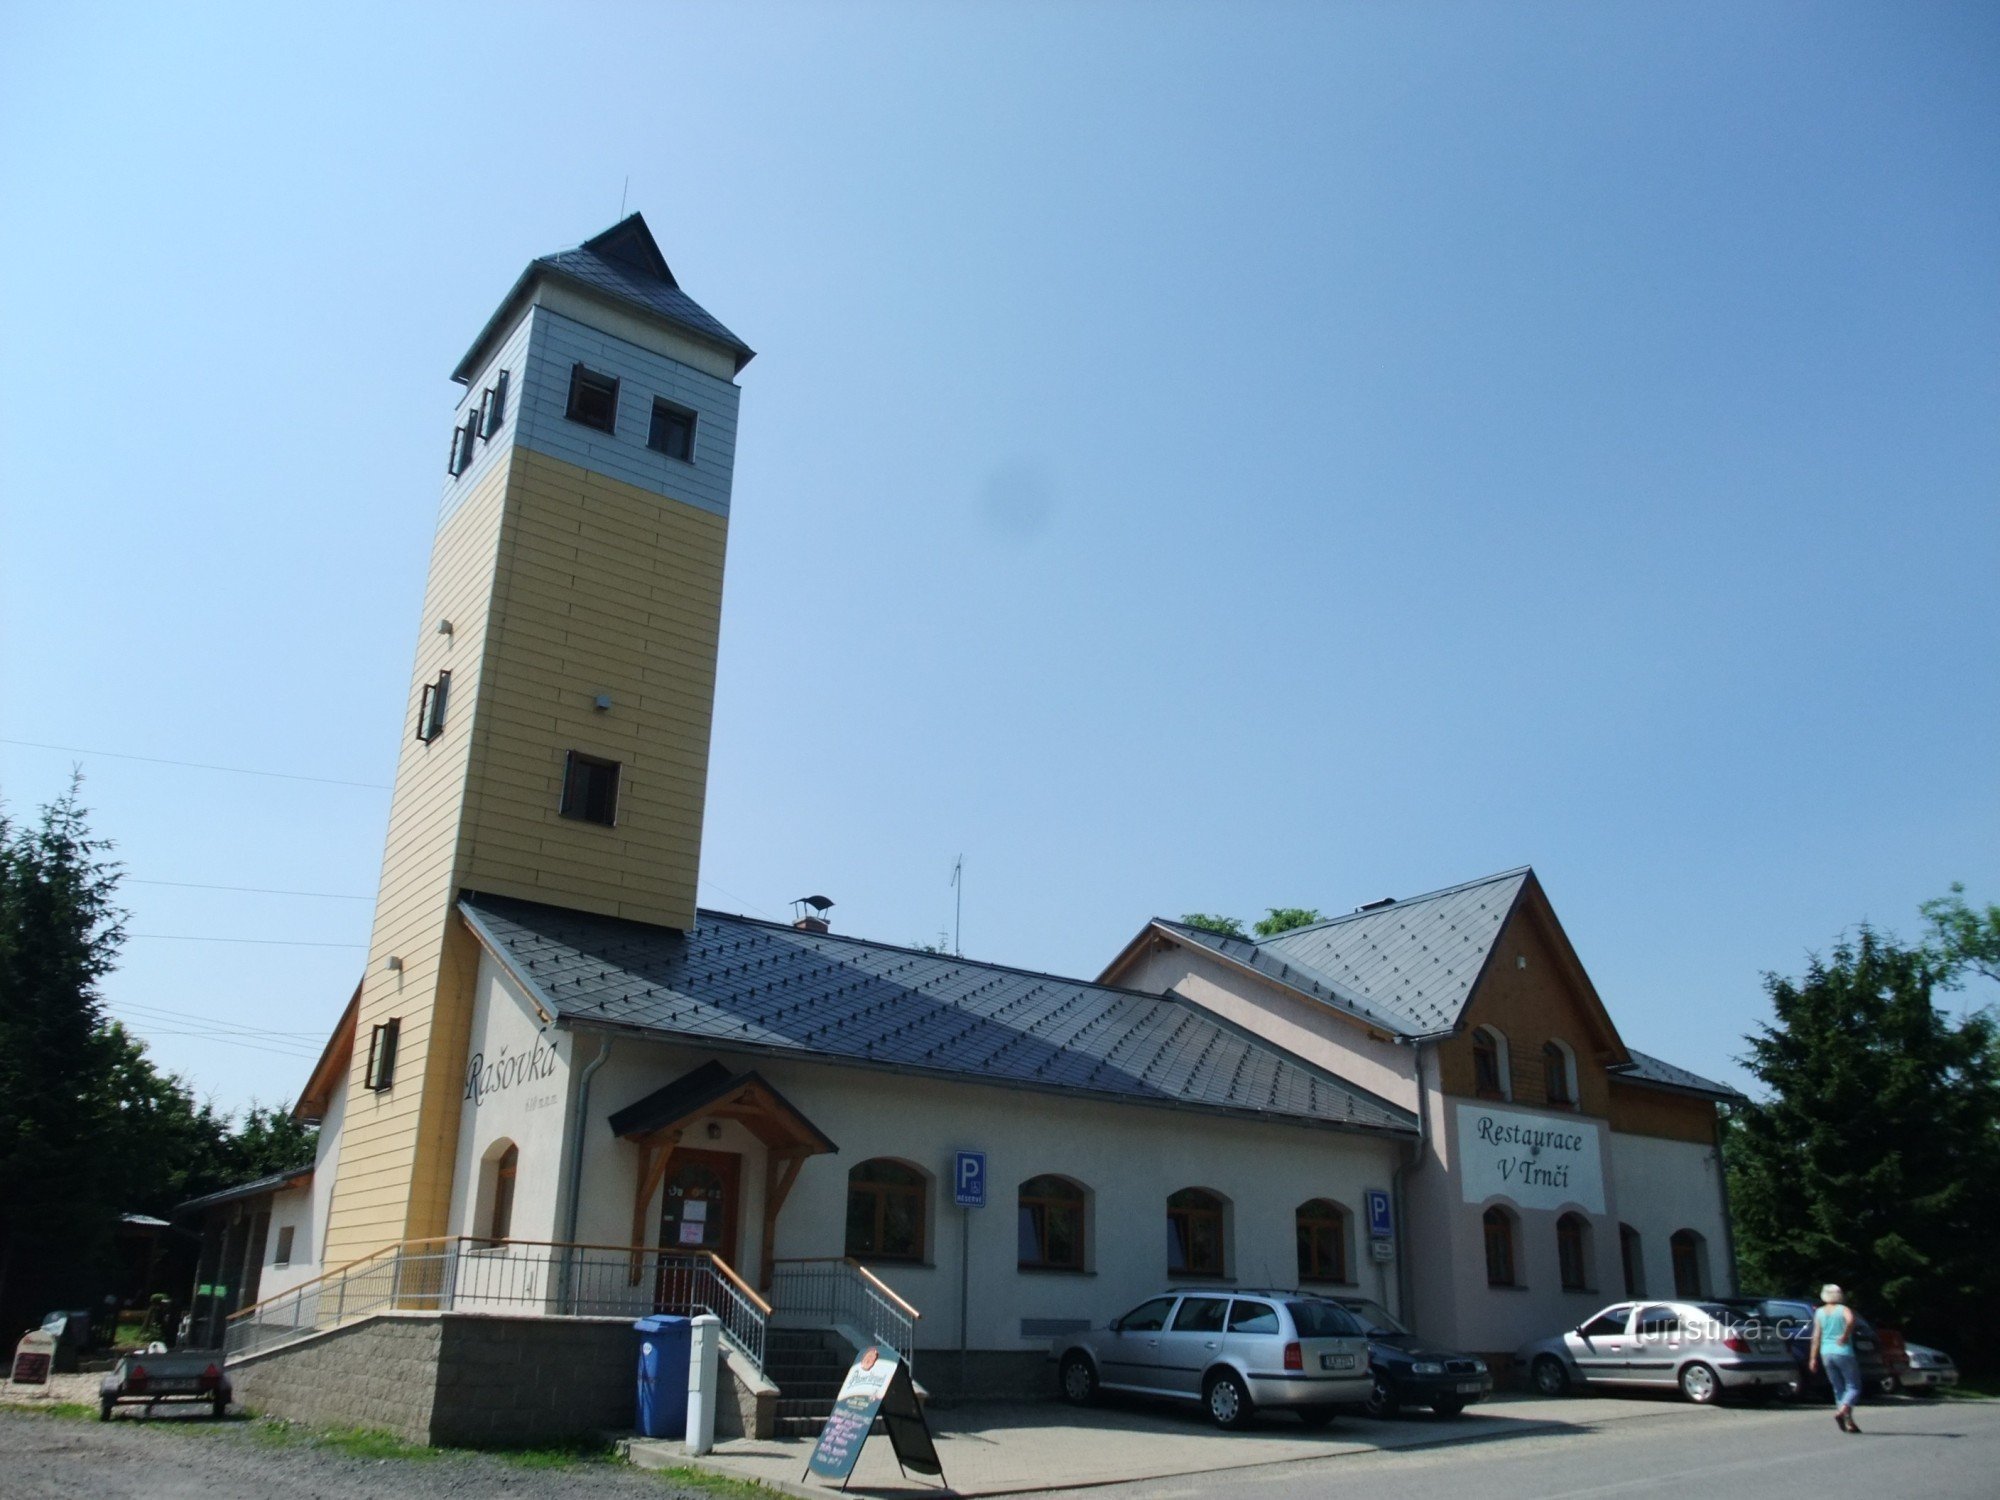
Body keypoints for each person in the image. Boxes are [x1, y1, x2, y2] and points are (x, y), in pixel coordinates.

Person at [1807, 1283, 1862, 1433]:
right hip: (1844, 1352)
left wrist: (1812, 1358)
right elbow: (1851, 1320)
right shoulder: (1843, 1309)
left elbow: (1816, 1336)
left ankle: (1848, 1422)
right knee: (1854, 1386)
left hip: (1826, 1353)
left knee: (1839, 1388)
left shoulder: (1819, 1312)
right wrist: (1845, 1335)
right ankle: (1843, 1410)